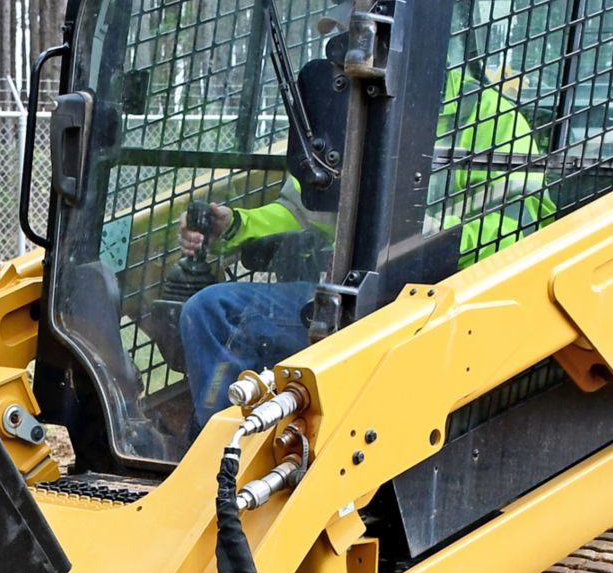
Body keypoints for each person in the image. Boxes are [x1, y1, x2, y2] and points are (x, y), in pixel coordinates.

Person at [175, 68, 551, 421]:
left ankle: (233, 462)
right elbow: (304, 212)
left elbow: (522, 231)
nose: (343, 52)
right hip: (348, 294)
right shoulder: (344, 113)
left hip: (439, 307)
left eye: (350, 32)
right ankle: (227, 453)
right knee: (212, 311)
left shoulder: (490, 116)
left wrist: (429, 235)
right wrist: (235, 225)